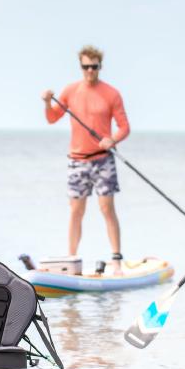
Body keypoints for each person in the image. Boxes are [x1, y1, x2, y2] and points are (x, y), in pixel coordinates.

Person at [42, 45, 130, 274]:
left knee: (106, 208)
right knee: (76, 211)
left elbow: (124, 127)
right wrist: (47, 103)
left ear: (100, 67)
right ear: (80, 67)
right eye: (85, 67)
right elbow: (52, 118)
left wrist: (112, 139)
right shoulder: (70, 91)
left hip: (103, 159)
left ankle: (116, 260)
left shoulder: (111, 93)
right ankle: (71, 260)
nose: (90, 71)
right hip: (77, 160)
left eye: (94, 67)